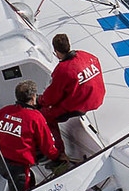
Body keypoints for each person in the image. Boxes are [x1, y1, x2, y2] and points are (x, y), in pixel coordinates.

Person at [37, 33, 105, 163]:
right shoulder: (88, 56)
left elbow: (51, 98)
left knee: (45, 116)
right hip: (97, 97)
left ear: (56, 52)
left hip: (80, 105)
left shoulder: (62, 70)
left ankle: (59, 153)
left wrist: (40, 101)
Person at [0, 82, 62, 191]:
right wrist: (58, 157)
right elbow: (47, 146)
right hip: (18, 168)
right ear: (33, 97)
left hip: (0, 162)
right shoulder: (35, 117)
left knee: (27, 183)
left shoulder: (3, 112)